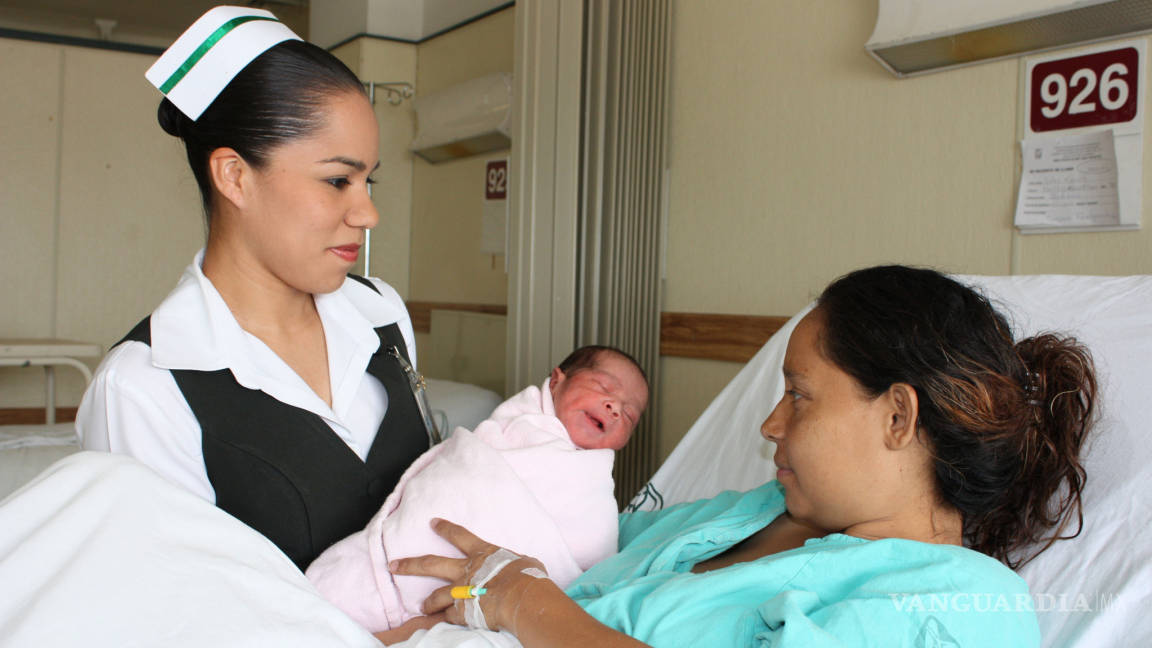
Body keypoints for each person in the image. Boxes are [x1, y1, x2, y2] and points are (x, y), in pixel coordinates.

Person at [390, 265, 1097, 647]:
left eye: (799, 395)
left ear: (897, 416)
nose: (768, 423)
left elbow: (539, 596)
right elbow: (577, 558)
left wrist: (521, 601)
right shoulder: (749, 512)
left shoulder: (959, 608)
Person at [76, 6, 431, 574]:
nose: (367, 213)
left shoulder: (379, 312)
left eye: (369, 180)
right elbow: (166, 613)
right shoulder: (145, 389)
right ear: (235, 176)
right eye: (338, 180)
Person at [306, 345, 649, 634]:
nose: (616, 407)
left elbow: (595, 552)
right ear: (556, 381)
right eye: (603, 387)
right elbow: (464, 477)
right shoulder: (515, 425)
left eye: (630, 416)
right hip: (400, 558)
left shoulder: (591, 478)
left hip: (492, 599)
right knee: (333, 593)